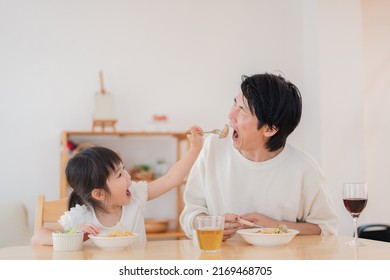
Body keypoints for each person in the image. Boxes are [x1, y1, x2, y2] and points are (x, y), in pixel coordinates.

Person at [180, 73, 338, 241]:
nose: (230, 115)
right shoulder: (212, 148)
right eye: (235, 103)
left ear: (269, 129)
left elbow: (326, 228)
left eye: (242, 110)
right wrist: (210, 224)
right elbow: (190, 214)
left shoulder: (304, 169)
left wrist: (275, 226)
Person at [31, 126, 203, 245]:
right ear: (98, 194)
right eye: (119, 175)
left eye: (124, 169)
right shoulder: (82, 217)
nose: (128, 177)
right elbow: (38, 236)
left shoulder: (136, 195)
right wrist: (74, 237)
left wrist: (195, 148)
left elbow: (171, 178)